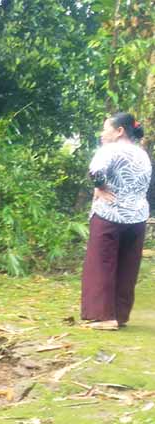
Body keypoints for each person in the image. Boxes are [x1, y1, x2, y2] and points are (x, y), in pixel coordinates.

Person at [80, 112, 151, 330]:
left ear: (120, 131)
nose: (102, 134)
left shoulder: (109, 150)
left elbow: (95, 171)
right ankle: (119, 315)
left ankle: (105, 318)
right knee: (127, 266)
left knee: (102, 264)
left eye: (105, 129)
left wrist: (100, 187)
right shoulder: (142, 154)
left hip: (110, 215)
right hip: (137, 217)